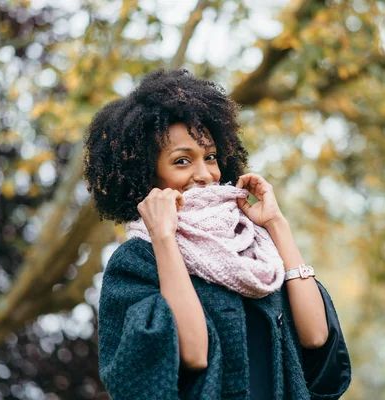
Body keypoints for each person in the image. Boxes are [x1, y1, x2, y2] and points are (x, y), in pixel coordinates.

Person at [83, 68, 351, 399]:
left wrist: (276, 224)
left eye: (210, 157)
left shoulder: (253, 245)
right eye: (182, 161)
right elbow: (194, 353)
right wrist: (165, 238)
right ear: (146, 175)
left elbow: (316, 337)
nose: (205, 174)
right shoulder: (137, 261)